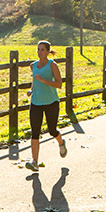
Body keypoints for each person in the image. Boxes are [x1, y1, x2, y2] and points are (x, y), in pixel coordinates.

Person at [24, 40, 67, 171]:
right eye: (38, 49)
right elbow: (34, 80)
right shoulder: (33, 65)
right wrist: (31, 89)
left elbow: (59, 84)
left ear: (48, 51)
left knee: (52, 130)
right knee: (35, 132)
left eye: (42, 49)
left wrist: (43, 80)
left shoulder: (52, 65)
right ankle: (35, 162)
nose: (39, 52)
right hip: (36, 102)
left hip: (51, 102)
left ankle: (61, 142)